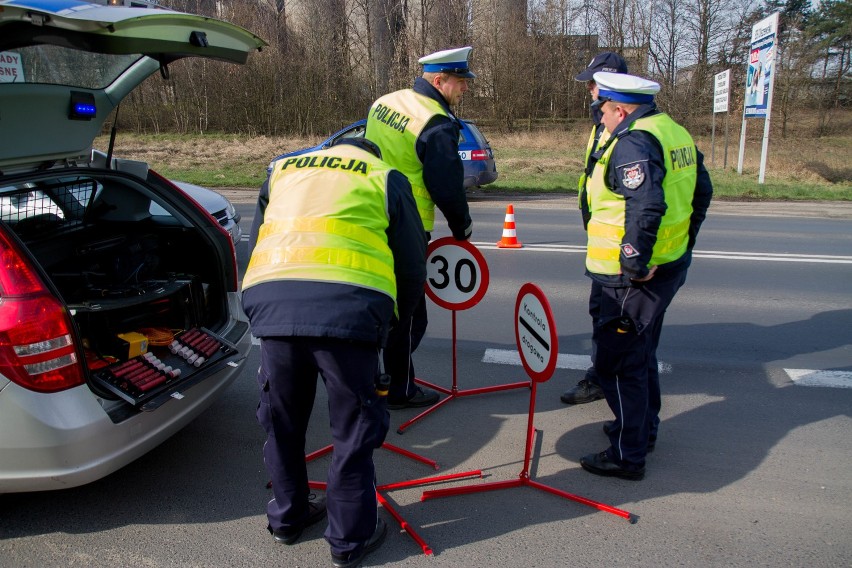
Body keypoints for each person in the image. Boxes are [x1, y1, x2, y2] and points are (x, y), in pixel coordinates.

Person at [242, 137, 427, 567]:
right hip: (350, 314)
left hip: (275, 308)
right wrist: (395, 323)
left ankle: (287, 518)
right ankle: (348, 540)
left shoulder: (283, 170)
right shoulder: (385, 178)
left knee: (282, 420)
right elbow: (412, 264)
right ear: (368, 153)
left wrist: (261, 308)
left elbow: (255, 244)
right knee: (354, 428)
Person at [577, 72, 713, 480]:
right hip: (668, 267)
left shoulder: (633, 141)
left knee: (618, 364)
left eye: (603, 110)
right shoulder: (673, 130)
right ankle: (641, 429)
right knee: (641, 353)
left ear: (621, 109)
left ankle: (626, 454)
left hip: (629, 278)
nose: (600, 119)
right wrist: (682, 247)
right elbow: (701, 192)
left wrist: (635, 262)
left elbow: (647, 204)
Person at [365, 46, 474, 409]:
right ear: (439, 80)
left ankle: (382, 378)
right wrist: (462, 227)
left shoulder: (385, 102)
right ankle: (395, 388)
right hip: (407, 225)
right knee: (410, 315)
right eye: (460, 82)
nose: (465, 89)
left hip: (371, 213)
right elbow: (446, 184)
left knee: (387, 302)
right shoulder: (436, 122)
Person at [561, 51, 630, 406]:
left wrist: (635, 253)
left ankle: (609, 385)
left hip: (621, 252)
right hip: (603, 244)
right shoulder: (602, 122)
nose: (588, 88)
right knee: (601, 318)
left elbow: (645, 202)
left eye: (593, 82)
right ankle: (604, 378)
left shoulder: (629, 128)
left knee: (617, 329)